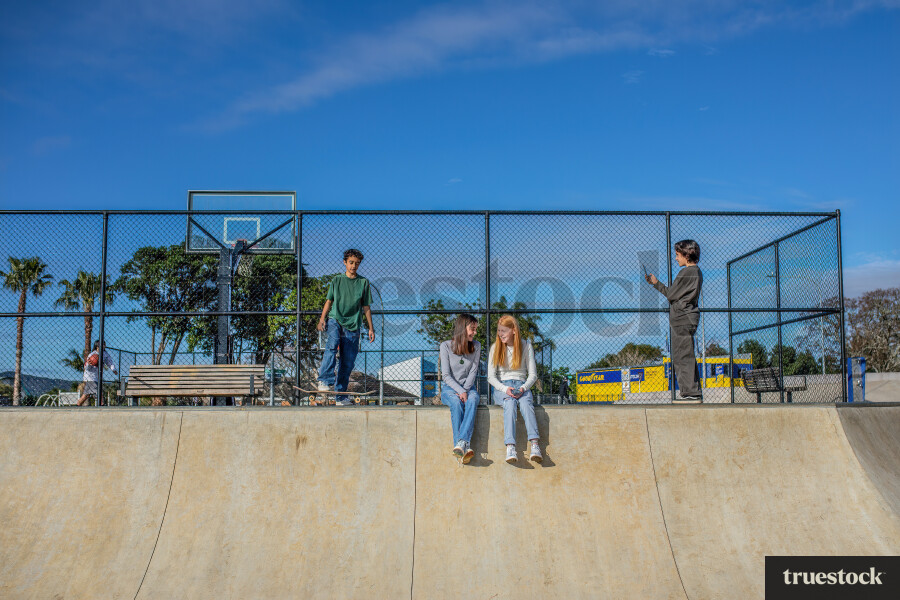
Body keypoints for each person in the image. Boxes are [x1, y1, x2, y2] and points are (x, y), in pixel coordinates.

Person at [645, 239, 704, 403]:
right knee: (686, 354)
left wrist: (656, 284)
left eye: (678, 255)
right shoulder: (697, 272)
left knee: (682, 356)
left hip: (682, 319)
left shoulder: (686, 273)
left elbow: (671, 295)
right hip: (688, 317)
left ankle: (690, 393)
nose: (676, 258)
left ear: (686, 255)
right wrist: (656, 284)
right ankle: (692, 391)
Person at [317, 249, 376, 406]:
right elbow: (329, 301)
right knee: (332, 344)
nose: (353, 266)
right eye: (351, 263)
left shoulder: (363, 283)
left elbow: (366, 307)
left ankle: (341, 396)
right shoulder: (337, 280)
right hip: (335, 319)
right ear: (345, 262)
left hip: (353, 324)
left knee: (348, 361)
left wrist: (371, 328)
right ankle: (324, 380)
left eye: (357, 263)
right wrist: (322, 319)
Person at [487, 315, 541, 464]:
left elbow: (533, 375)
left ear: (514, 330)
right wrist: (505, 389)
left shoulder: (526, 346)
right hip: (502, 387)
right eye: (499, 331)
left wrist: (523, 388)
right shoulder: (495, 348)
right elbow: (491, 377)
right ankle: (510, 447)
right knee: (509, 404)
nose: (500, 334)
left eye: (504, 331)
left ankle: (535, 445)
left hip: (522, 385)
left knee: (526, 404)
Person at [439, 314, 481, 464]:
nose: (475, 333)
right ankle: (465, 444)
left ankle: (461, 444)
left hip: (469, 388)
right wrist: (460, 390)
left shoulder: (476, 346)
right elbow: (446, 375)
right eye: (472, 329)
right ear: (463, 328)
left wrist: (466, 390)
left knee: (473, 399)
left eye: (476, 329)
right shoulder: (445, 346)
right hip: (450, 388)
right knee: (456, 403)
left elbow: (473, 372)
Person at [77, 340, 117, 406]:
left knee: (86, 395)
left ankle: (77, 405)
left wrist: (113, 369)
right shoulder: (92, 355)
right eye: (102, 345)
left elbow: (109, 362)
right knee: (99, 393)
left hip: (97, 377)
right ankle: (102, 405)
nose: (104, 346)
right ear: (97, 346)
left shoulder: (105, 354)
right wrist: (89, 364)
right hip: (90, 377)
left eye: (104, 345)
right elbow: (86, 368)